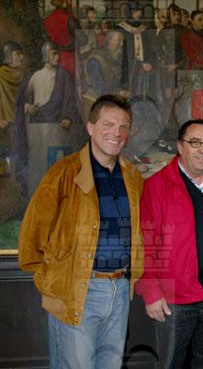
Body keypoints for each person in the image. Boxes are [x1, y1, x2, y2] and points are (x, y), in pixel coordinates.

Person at [18, 94, 144, 368]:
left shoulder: (132, 176)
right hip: (77, 289)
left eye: (123, 126)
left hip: (120, 289)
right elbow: (32, 235)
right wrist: (54, 281)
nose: (117, 133)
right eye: (108, 124)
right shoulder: (64, 172)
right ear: (90, 127)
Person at [136, 119, 203, 368]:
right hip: (175, 294)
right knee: (170, 362)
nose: (202, 149)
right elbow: (145, 243)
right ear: (180, 146)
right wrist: (151, 291)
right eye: (195, 142)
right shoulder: (156, 186)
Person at [14, 41, 83, 196]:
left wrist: (69, 118)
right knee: (39, 164)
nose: (58, 57)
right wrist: (27, 107)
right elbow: (21, 100)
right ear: (46, 55)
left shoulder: (64, 76)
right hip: (38, 128)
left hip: (58, 128)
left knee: (57, 164)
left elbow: (72, 101)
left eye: (58, 53)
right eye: (54, 53)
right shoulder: (35, 77)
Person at [43, 0, 86, 78]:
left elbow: (47, 41)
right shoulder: (70, 19)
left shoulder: (47, 20)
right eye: (70, 0)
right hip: (70, 61)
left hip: (53, 61)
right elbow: (83, 40)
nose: (71, 3)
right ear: (64, 1)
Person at [0, 41, 24, 176]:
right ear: (9, 56)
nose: (21, 57)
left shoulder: (23, 76)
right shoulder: (0, 75)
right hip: (3, 123)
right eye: (18, 54)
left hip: (19, 121)